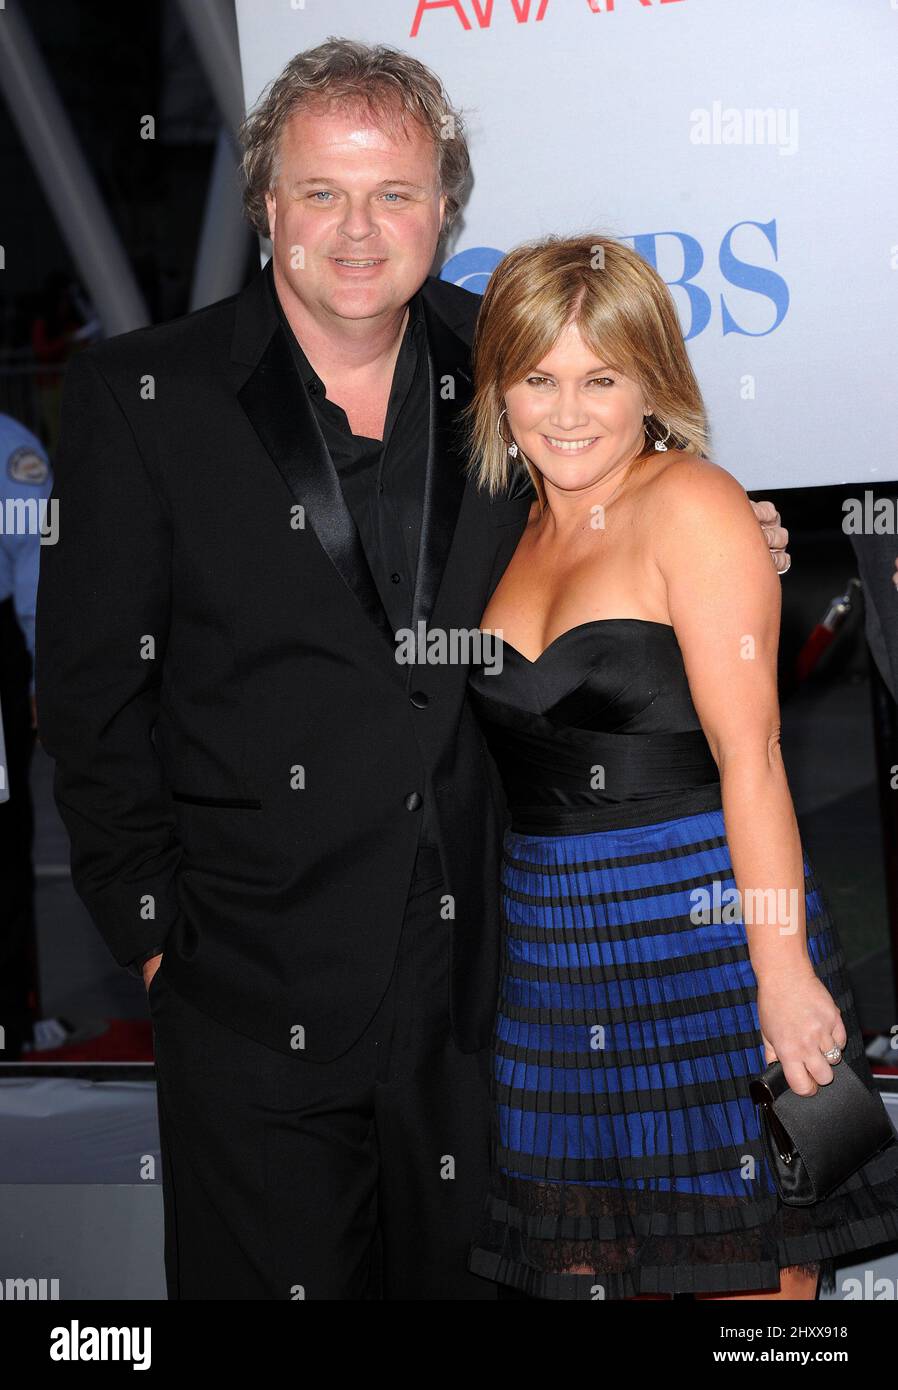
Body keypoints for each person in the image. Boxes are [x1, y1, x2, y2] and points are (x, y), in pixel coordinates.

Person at [34, 40, 788, 1299]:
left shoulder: (506, 362)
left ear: (447, 209)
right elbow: (92, 700)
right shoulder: (140, 396)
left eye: (396, 193)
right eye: (321, 192)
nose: (358, 230)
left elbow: (628, 497)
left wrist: (731, 530)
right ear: (267, 204)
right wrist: (157, 943)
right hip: (249, 994)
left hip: (495, 998)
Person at [462, 232, 898, 1301]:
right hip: (554, 963)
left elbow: (753, 762)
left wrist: (781, 972)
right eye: (538, 378)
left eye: (600, 379)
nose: (567, 413)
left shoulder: (693, 506)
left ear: (650, 382)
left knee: (749, 1280)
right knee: (582, 1272)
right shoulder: (496, 531)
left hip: (702, 944)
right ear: (498, 389)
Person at [0, 413, 52, 1059]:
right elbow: (35, 556)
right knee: (3, 840)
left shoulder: (10, 448)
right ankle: (11, 1018)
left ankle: (13, 1015)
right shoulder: (11, 447)